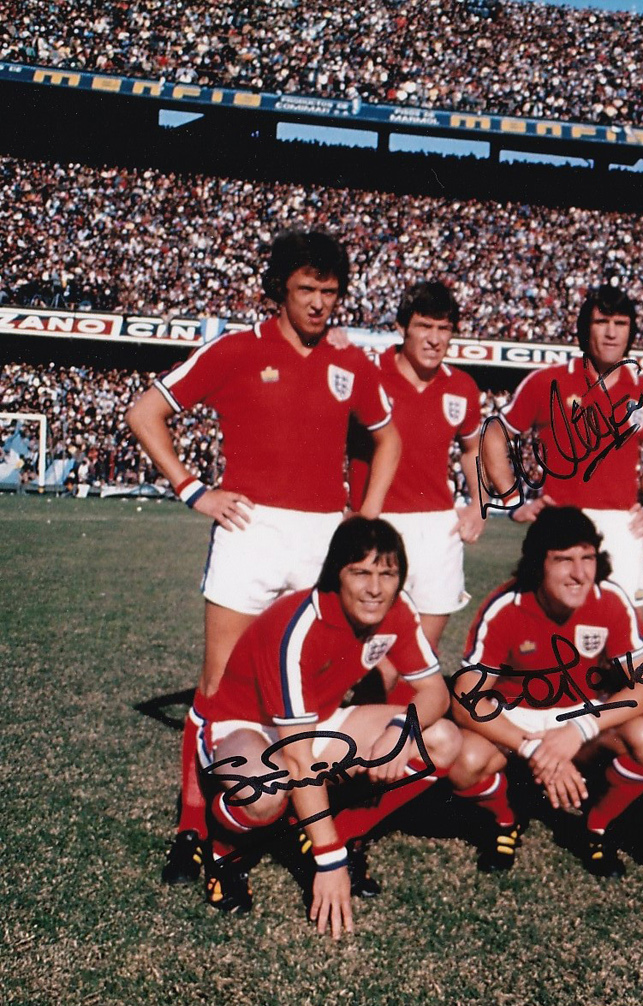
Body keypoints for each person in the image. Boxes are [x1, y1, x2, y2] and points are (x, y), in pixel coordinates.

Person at [126, 230, 401, 887]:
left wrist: (366, 518)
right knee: (220, 685)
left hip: (321, 539)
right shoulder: (235, 349)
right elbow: (145, 412)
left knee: (320, 683)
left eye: (330, 293)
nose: (318, 304)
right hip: (248, 528)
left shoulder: (352, 362)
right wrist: (193, 488)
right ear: (280, 288)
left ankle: (310, 832)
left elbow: (387, 439)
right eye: (306, 290)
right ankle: (194, 828)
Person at [192, 517, 461, 936]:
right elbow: (298, 758)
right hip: (243, 726)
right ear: (337, 573)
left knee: (441, 740)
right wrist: (328, 857)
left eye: (387, 573)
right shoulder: (298, 625)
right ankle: (225, 851)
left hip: (316, 721)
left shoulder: (396, 609)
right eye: (361, 572)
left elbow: (435, 694)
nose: (375, 588)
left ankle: (342, 831)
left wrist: (396, 730)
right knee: (267, 792)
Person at [447, 507, 643, 877]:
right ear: (538, 564)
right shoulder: (507, 606)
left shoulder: (609, 599)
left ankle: (596, 827)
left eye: (587, 559)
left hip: (582, 713)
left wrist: (580, 729)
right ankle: (506, 818)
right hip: (519, 717)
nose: (579, 574)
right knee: (464, 759)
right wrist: (534, 747)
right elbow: (464, 699)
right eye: (564, 561)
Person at [481, 284, 643, 607]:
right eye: (601, 322)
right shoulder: (548, 382)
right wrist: (515, 502)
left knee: (624, 636)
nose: (611, 333)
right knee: (552, 633)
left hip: (622, 527)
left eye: (621, 324)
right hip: (559, 524)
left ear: (631, 332)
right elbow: (494, 436)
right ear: (585, 329)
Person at [348, 280, 483, 649]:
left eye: (444, 329)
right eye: (424, 326)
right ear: (401, 327)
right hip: (376, 523)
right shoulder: (367, 372)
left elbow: (472, 449)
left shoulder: (463, 386)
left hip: (439, 528)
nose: (434, 339)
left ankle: (399, 706)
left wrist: (479, 505)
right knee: (367, 648)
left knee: (420, 653)